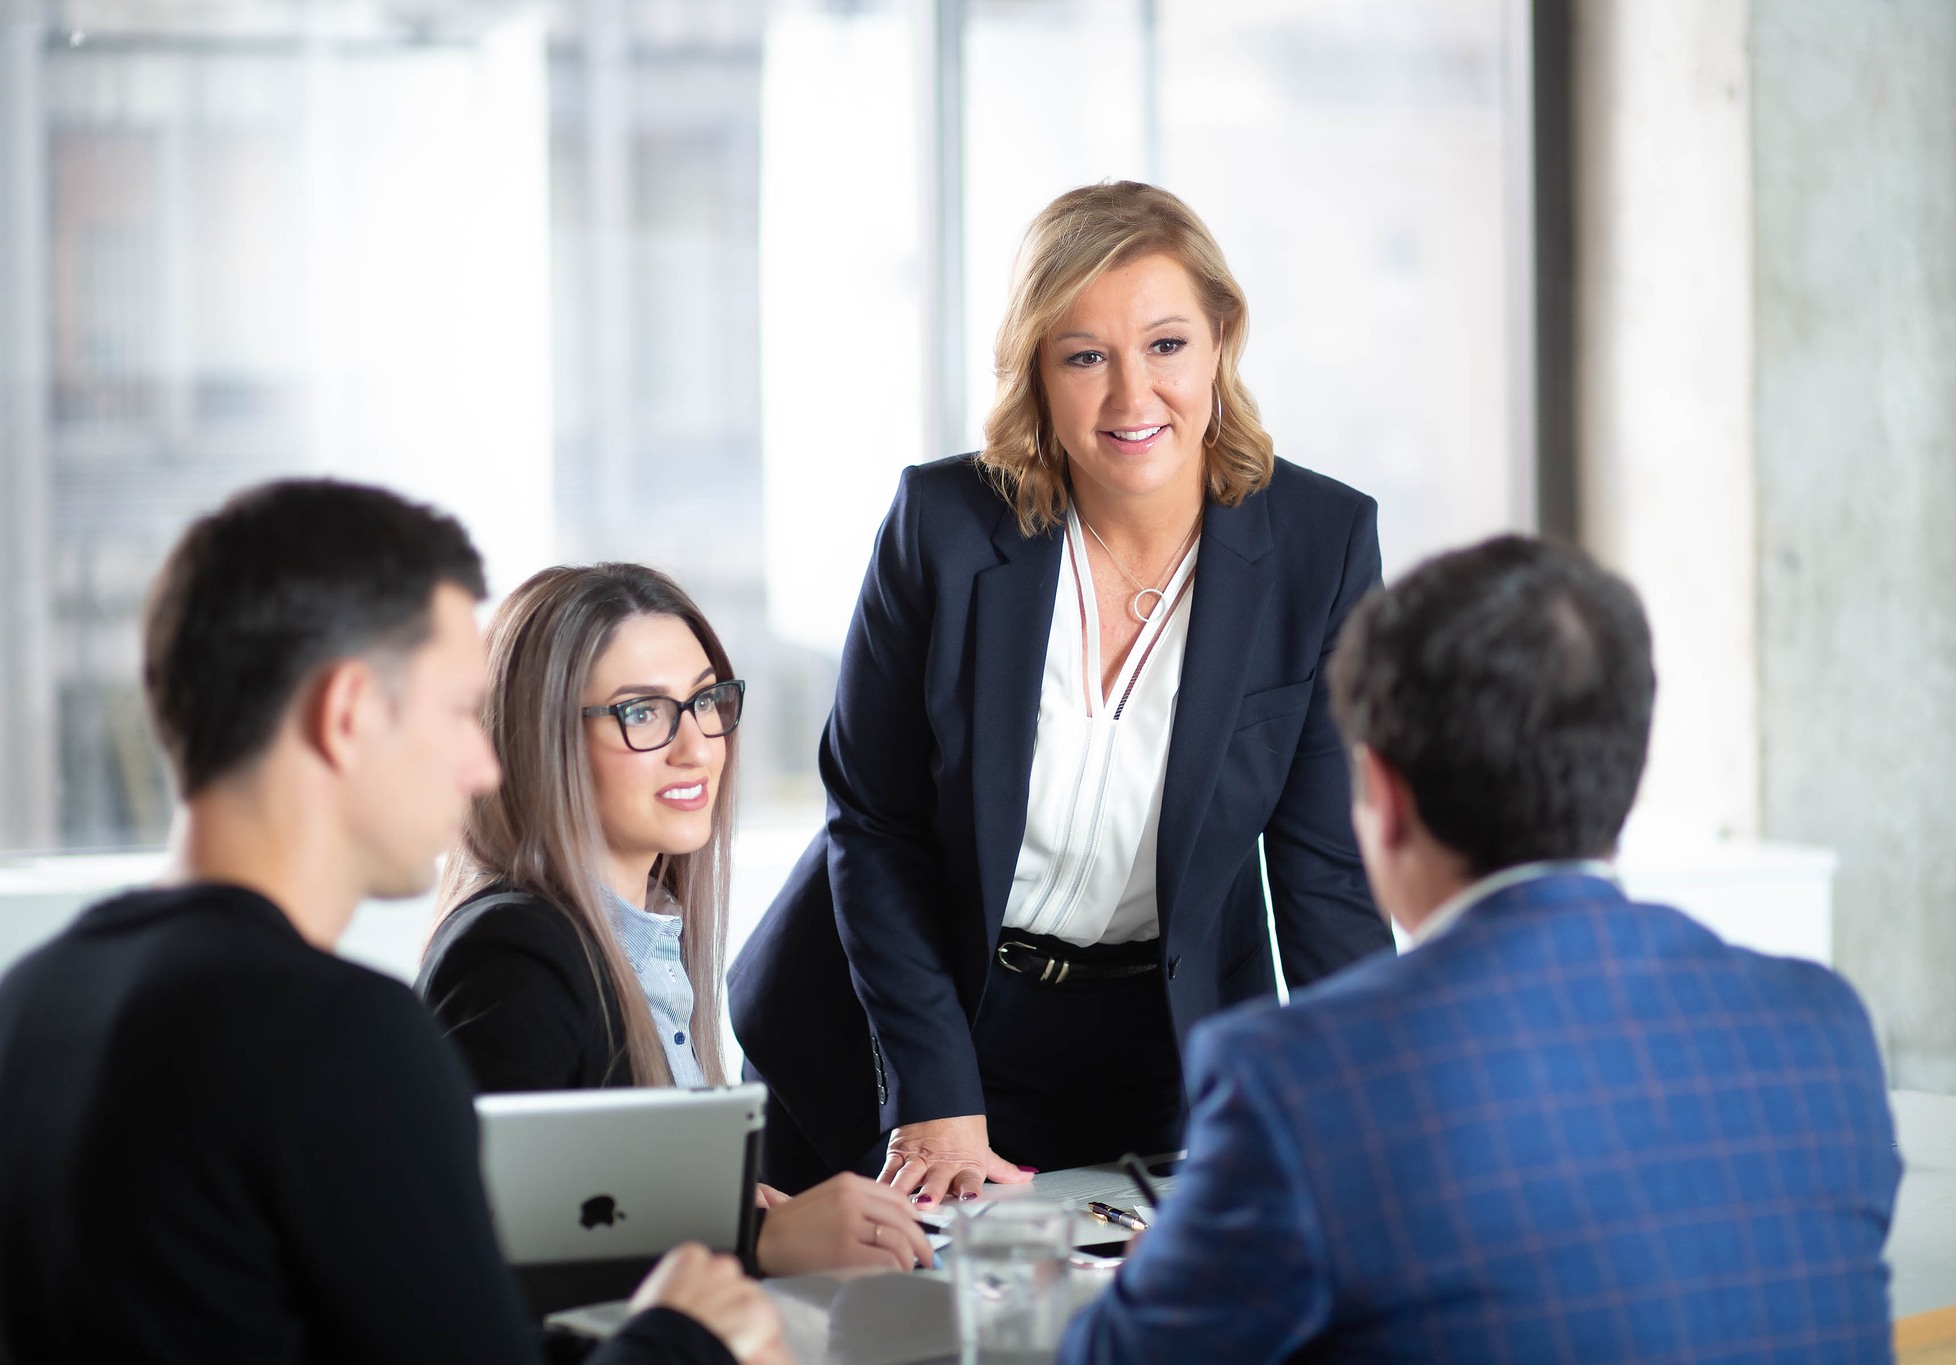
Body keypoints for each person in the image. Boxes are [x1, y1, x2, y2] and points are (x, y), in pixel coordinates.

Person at [0, 481, 789, 1365]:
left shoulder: (29, 1002)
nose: (484, 761)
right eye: (457, 712)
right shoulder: (343, 1040)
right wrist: (690, 1336)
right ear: (348, 715)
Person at [1059, 535, 1901, 1363]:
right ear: (1626, 767)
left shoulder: (1300, 1083)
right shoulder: (1823, 1028)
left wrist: (1170, 1274)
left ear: (1383, 797)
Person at [729, 181, 1393, 1198]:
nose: (1133, 398)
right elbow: (873, 825)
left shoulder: (1319, 547)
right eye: (1085, 356)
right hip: (900, 1024)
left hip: (1158, 1043)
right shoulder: (941, 528)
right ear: (1037, 372)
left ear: (1220, 339)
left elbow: (1325, 876)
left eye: (1165, 345)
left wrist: (1378, 1116)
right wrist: (935, 1092)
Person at [417, 563, 932, 1275]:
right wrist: (753, 1244)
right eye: (642, 712)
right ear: (541, 738)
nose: (696, 746)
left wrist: (729, 1213)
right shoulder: (516, 956)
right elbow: (478, 1259)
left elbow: (595, 1209)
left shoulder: (644, 937)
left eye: (704, 701)